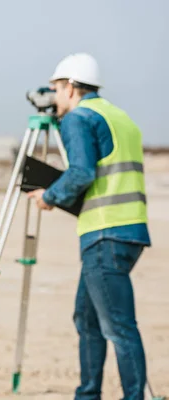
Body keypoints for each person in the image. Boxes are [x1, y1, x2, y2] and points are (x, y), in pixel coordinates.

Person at [27, 53, 151, 400]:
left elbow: (81, 172)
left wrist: (50, 196)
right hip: (129, 231)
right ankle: (88, 394)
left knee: (119, 327)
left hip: (105, 232)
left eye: (55, 89)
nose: (53, 98)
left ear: (70, 87)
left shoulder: (79, 118)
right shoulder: (118, 116)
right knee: (87, 318)